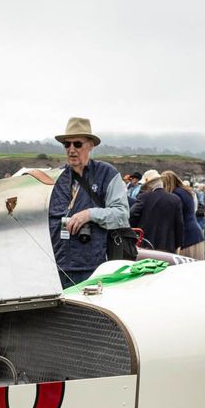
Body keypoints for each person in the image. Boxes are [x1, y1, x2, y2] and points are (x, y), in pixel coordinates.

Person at [48, 117, 128, 286]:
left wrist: (90, 214)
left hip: (93, 268)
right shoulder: (56, 177)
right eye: (66, 144)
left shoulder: (107, 173)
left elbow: (121, 214)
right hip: (57, 267)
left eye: (77, 144)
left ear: (90, 145)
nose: (71, 149)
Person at [130, 169, 180, 253]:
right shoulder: (175, 199)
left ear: (149, 185)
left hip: (147, 243)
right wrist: (177, 244)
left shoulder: (144, 197)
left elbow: (132, 214)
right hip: (168, 245)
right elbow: (179, 225)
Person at [166, 171, 204, 258]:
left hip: (187, 236)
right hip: (195, 233)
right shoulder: (185, 191)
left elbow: (176, 216)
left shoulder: (176, 194)